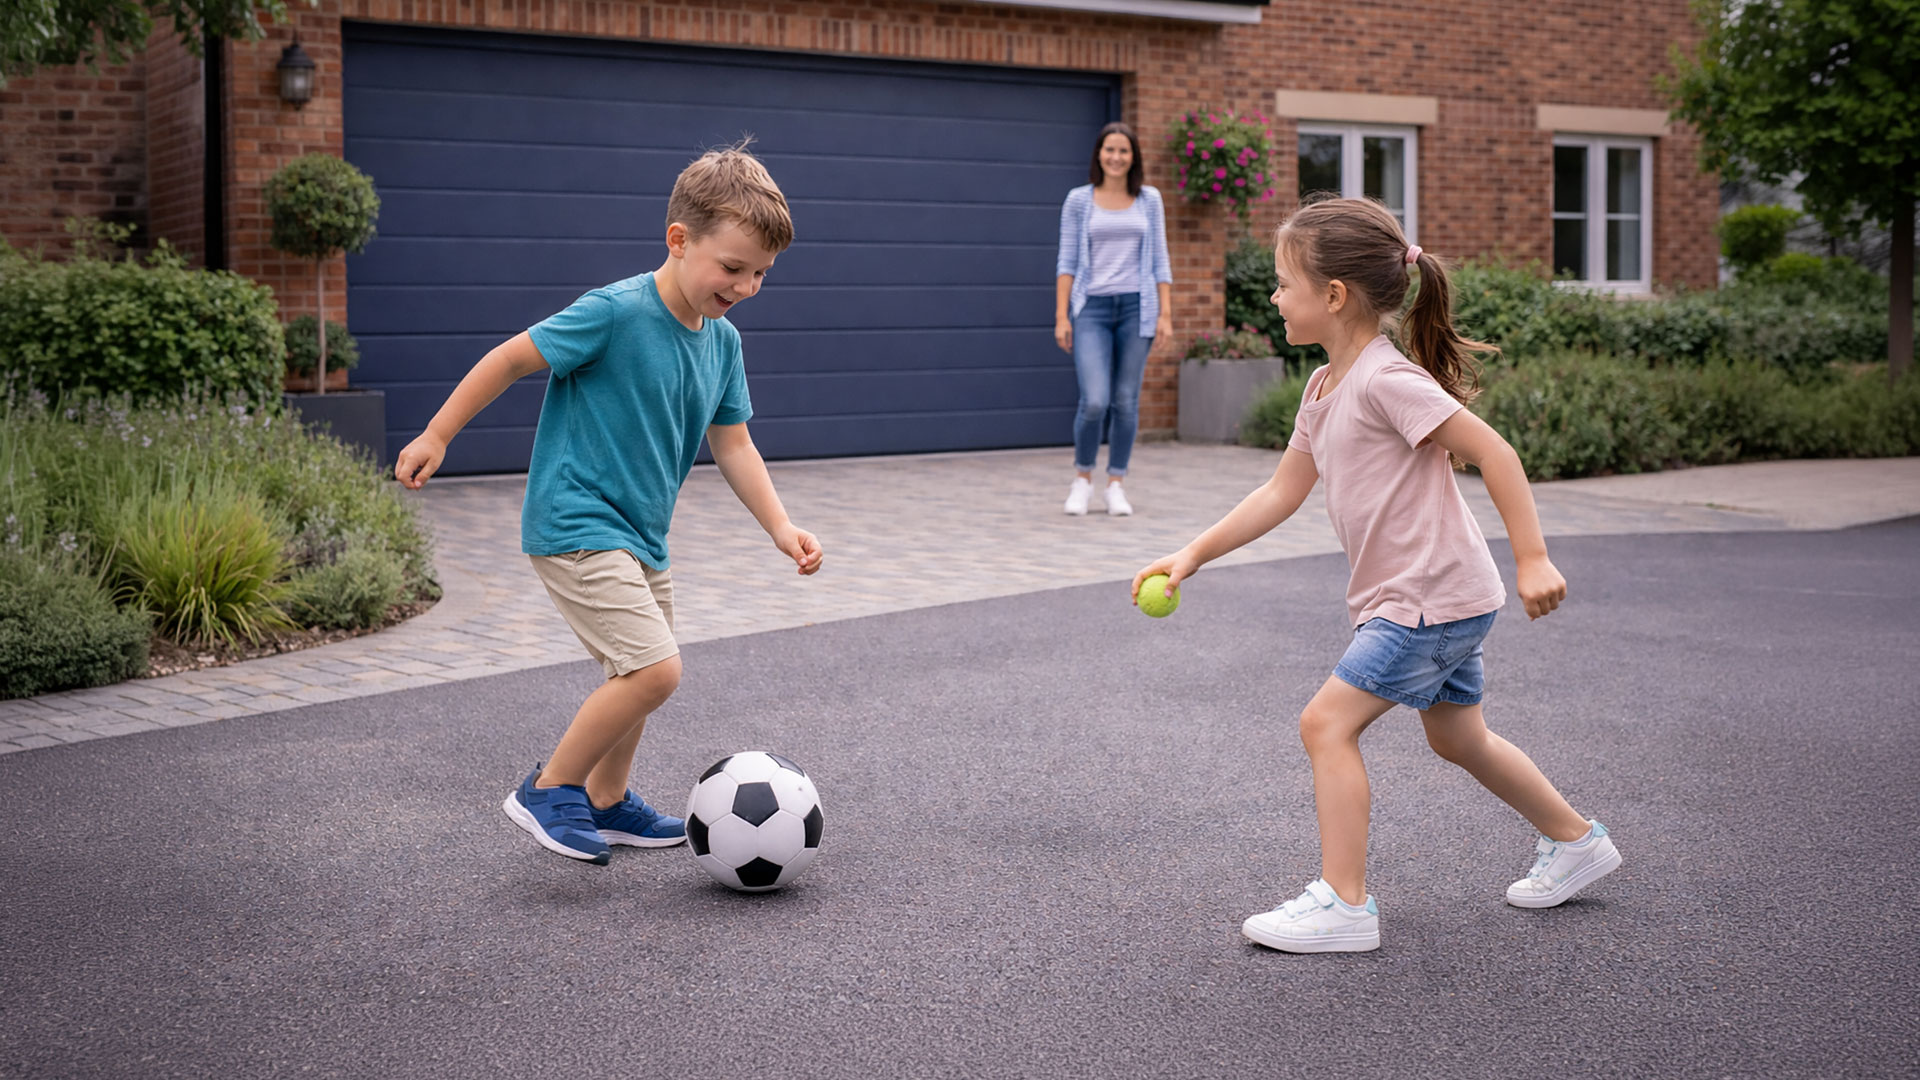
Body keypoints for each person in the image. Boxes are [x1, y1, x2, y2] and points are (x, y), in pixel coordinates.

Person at [1131, 197, 1620, 953]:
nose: (1273, 297)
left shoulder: (1387, 380)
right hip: (1444, 598)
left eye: (1284, 283)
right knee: (1460, 739)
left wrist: (1533, 557)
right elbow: (1281, 492)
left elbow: (1495, 452)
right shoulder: (1324, 388)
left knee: (1326, 724)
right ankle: (1576, 840)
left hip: (1424, 600)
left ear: (1333, 296)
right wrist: (1192, 553)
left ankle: (1345, 905)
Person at [393, 145, 823, 866]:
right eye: (732, 266)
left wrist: (780, 527)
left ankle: (605, 800)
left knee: (635, 675)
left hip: (642, 536)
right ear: (679, 241)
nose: (746, 285)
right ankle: (548, 788)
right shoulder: (615, 312)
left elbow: (735, 446)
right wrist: (439, 433)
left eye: (760, 273)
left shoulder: (723, 343)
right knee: (656, 670)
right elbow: (510, 358)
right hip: (575, 522)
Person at [1054, 121, 1173, 517]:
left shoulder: (1149, 200)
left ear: (1133, 157)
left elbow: (1160, 259)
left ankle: (1116, 483)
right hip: (1091, 309)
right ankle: (1082, 480)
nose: (1117, 157)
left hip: (1136, 309)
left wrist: (1165, 314)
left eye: (1124, 151)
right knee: (1095, 400)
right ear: (1099, 155)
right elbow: (1067, 261)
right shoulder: (1078, 201)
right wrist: (1062, 316)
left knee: (1125, 400)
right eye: (1110, 150)